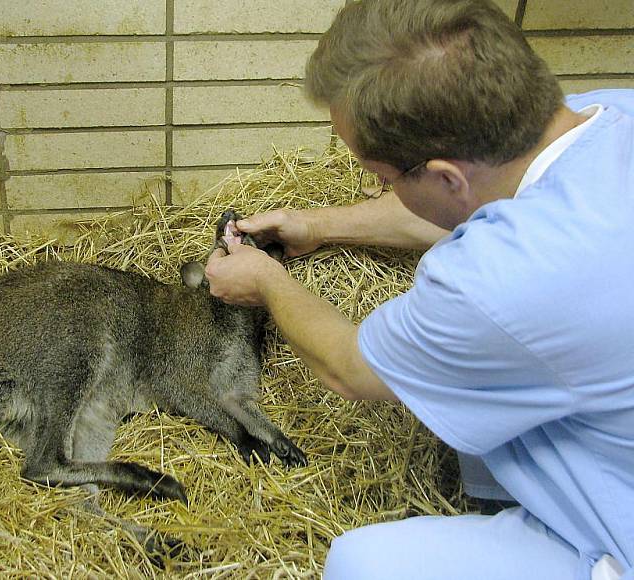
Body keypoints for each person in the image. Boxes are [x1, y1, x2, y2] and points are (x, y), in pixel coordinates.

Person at [203, 1, 634, 579]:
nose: (384, 189)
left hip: (619, 523)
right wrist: (317, 224)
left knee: (361, 564)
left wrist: (267, 281)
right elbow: (472, 199)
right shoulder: (601, 114)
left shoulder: (495, 281)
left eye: (383, 178)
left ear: (444, 176)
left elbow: (351, 369)